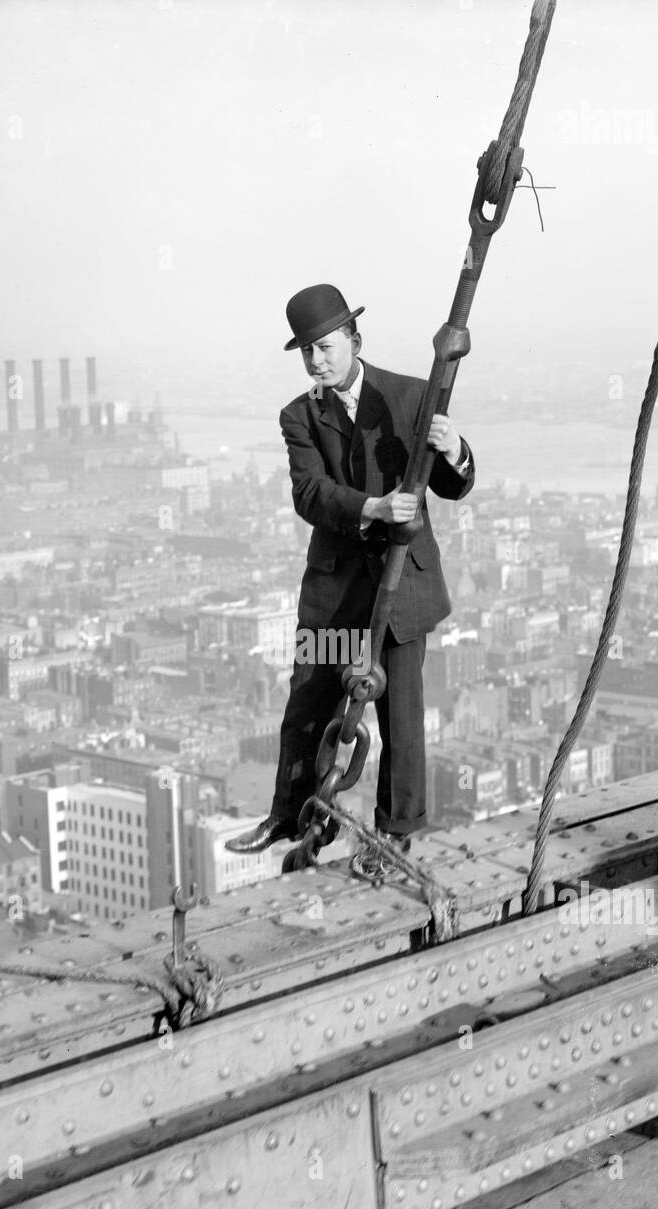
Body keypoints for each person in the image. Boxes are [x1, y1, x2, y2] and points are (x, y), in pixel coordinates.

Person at [225, 284, 475, 877]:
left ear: (354, 341)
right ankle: (292, 815)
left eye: (327, 346)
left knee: (403, 717)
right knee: (309, 699)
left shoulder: (411, 396)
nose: (318, 360)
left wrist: (455, 448)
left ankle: (396, 835)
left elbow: (452, 484)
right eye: (308, 351)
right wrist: (374, 508)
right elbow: (310, 494)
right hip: (337, 593)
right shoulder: (300, 416)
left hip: (401, 586)